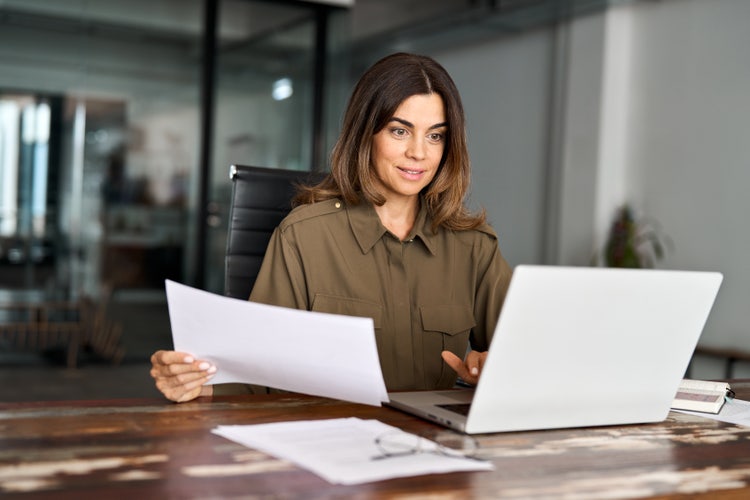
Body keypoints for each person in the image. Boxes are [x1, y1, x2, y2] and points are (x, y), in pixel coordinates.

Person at [151, 52, 513, 403]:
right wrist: (193, 383)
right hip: (331, 441)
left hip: (435, 447)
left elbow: (521, 359)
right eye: (400, 131)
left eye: (435, 136)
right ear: (364, 134)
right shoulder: (304, 237)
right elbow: (255, 377)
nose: (419, 152)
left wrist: (493, 369)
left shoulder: (474, 246)